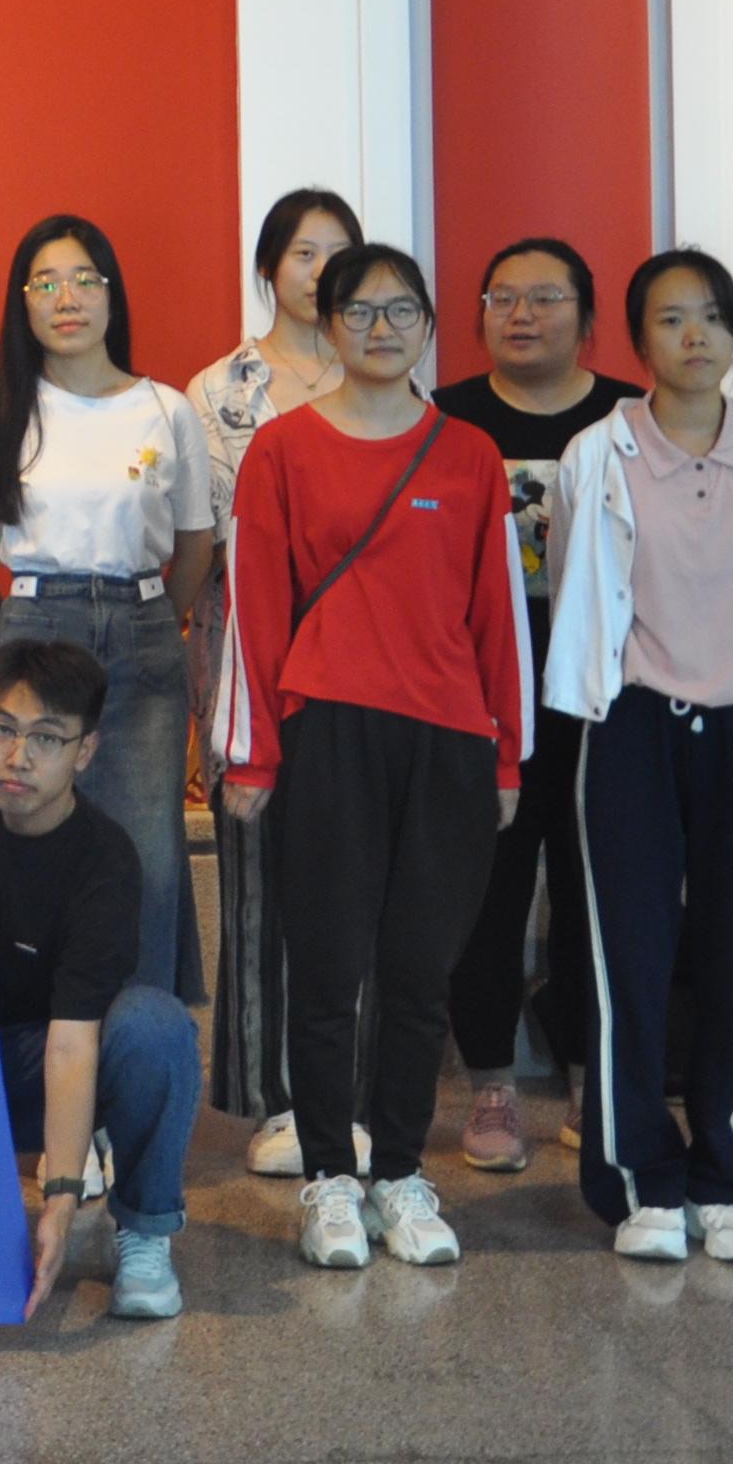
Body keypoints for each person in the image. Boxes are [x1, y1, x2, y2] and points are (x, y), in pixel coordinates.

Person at [225, 239, 528, 1274]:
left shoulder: (469, 454)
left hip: (447, 738)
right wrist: (253, 755)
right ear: (329, 324)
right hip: (329, 732)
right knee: (325, 970)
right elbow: (255, 608)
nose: (382, 328)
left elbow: (497, 617)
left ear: (430, 325)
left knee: (416, 974)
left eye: (402, 310)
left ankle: (398, 1172)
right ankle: (328, 1176)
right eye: (359, 310)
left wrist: (505, 757)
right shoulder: (281, 451)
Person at [542, 247, 733, 1265]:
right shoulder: (598, 454)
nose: (694, 335)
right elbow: (579, 584)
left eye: (711, 315)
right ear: (636, 341)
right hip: (630, 727)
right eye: (670, 319)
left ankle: (727, 1176)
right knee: (627, 959)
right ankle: (639, 1182)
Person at [0, 637, 193, 1321]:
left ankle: (144, 1229)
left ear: (85, 751)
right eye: (2, 729)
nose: (17, 757)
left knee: (155, 1028)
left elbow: (72, 1042)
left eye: (46, 738)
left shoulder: (105, 862)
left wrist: (60, 1199)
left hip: (34, 1063)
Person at [431, 237, 645, 1172]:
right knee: (489, 888)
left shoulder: (633, 420)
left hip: (607, 688)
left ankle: (595, 1075)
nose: (522, 315)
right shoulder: (443, 419)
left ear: (588, 320)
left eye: (547, 298)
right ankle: (492, 1082)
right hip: (483, 688)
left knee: (602, 886)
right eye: (502, 297)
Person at [0, 213, 212, 999]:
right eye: (45, 283)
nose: (65, 298)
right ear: (23, 302)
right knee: (30, 843)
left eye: (83, 280)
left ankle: (140, 1045)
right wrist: (15, 641)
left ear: (111, 294)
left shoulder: (166, 409)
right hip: (37, 623)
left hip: (143, 632)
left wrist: (152, 622)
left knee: (149, 855)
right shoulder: (3, 410)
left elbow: (195, 548)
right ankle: (39, 1039)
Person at [188, 186, 360, 1172]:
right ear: (269, 268)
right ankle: (271, 1099)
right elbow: (209, 536)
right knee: (258, 885)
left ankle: (345, 1088)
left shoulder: (382, 373)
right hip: (249, 661)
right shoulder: (219, 391)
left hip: (363, 668)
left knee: (351, 879)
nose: (320, 270)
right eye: (303, 252)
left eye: (338, 252)